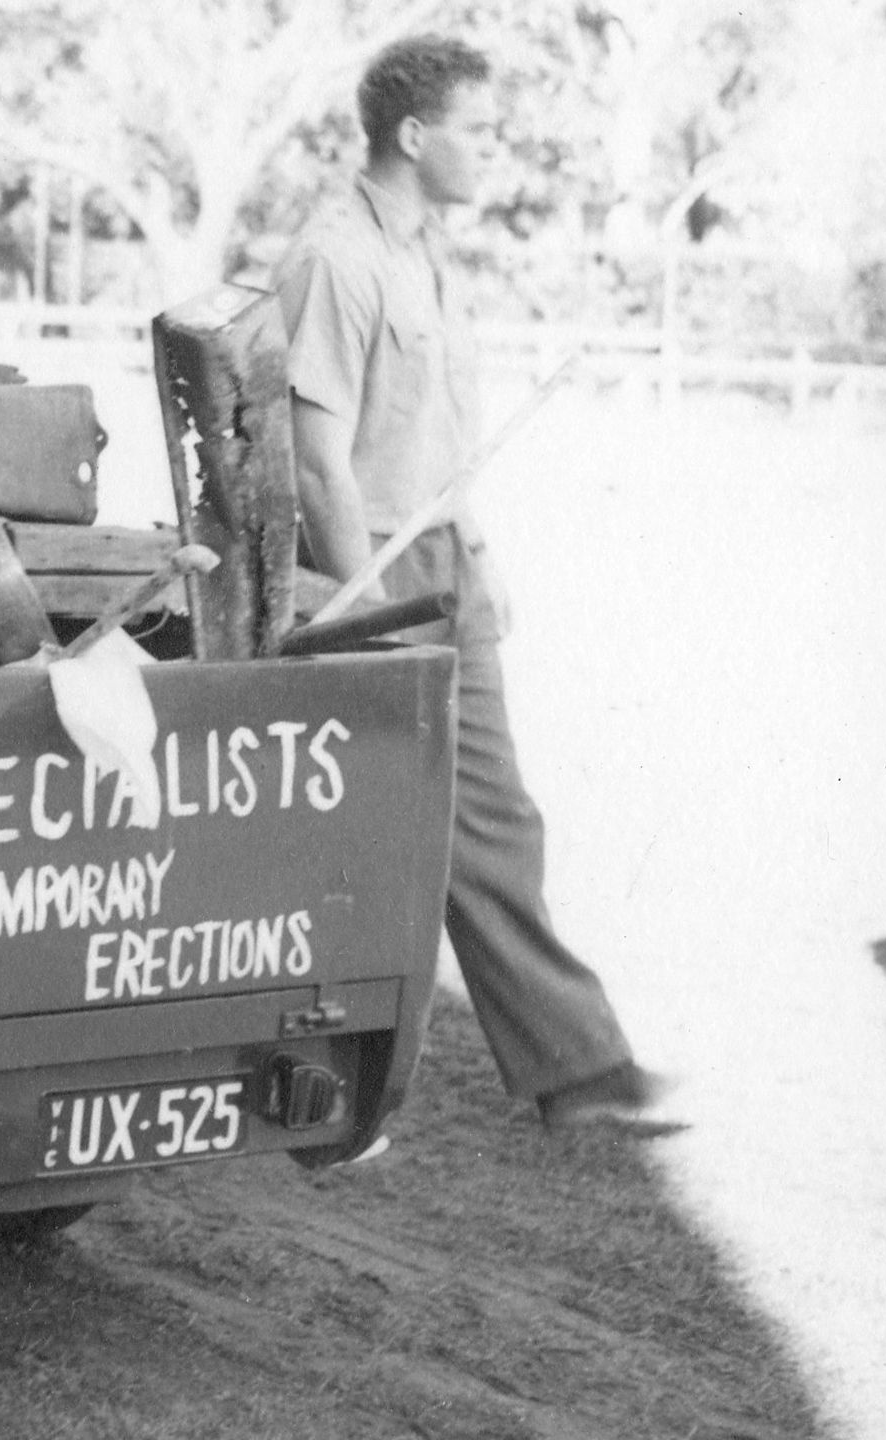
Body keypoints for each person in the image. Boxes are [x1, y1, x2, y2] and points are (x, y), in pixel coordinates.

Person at [270, 34, 670, 1130]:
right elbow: (316, 465)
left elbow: (437, 443)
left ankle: (575, 1068)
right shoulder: (334, 258)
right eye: (477, 131)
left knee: (491, 814)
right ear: (412, 134)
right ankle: (304, 1076)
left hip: (440, 561)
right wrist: (372, 621)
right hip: (362, 576)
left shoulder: (423, 253)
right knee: (364, 839)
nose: (490, 152)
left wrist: (477, 562)